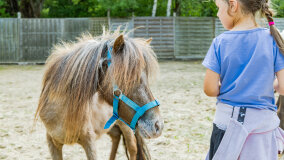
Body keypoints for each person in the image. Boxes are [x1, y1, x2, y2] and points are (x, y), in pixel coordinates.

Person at [202, 0, 284, 159]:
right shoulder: (273, 39)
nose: (218, 14)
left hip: (228, 126)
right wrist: (267, 84)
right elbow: (283, 87)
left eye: (219, 8)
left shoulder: (220, 42)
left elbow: (210, 89)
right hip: (264, 128)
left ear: (233, 5)